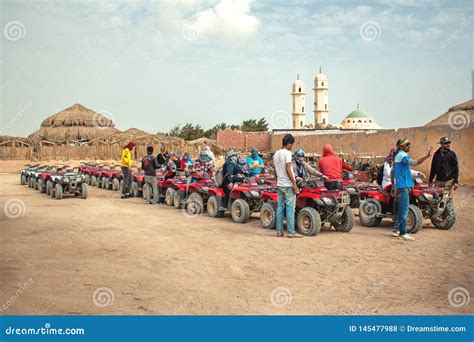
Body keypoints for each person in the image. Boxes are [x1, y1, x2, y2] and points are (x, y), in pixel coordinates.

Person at [390, 138, 432, 241]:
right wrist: (427, 156)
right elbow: (414, 163)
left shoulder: (398, 156)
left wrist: (393, 185)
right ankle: (403, 233)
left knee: (401, 209)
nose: (409, 146)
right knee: (404, 211)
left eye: (409, 144)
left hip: (401, 185)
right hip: (403, 186)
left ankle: (396, 230)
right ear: (401, 146)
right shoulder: (402, 155)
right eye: (407, 144)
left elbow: (394, 172)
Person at [273, 134, 302, 238]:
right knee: (290, 208)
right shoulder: (287, 153)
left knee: (280, 208)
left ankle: (279, 231)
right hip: (288, 185)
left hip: (280, 184)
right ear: (289, 144)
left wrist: (277, 181)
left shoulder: (276, 154)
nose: (292, 147)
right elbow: (288, 168)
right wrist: (294, 184)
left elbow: (275, 171)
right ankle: (291, 231)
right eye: (292, 144)